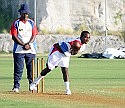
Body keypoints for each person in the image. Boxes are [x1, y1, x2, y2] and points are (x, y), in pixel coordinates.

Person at [30, 31, 90, 95]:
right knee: (50, 68)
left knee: (65, 70)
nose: (87, 39)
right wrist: (70, 51)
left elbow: (73, 53)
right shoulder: (75, 42)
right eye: (85, 37)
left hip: (66, 54)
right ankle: (35, 82)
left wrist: (72, 52)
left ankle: (67, 89)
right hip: (58, 50)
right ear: (81, 37)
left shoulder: (83, 46)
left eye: (88, 37)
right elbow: (64, 45)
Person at [10, 3, 38, 92]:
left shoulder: (31, 22)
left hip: (31, 49)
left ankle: (32, 85)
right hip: (19, 50)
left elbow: (34, 35)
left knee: (31, 69)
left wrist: (29, 44)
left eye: (27, 13)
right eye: (24, 13)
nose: (25, 15)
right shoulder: (16, 23)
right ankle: (16, 86)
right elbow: (14, 36)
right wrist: (23, 45)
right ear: (20, 13)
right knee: (18, 70)